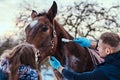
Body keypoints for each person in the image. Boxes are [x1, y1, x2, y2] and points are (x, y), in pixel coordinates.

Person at [49, 32, 120, 80]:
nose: (97, 48)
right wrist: (90, 44)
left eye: (99, 46)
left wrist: (59, 68)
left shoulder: (105, 72)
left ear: (108, 51)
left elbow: (77, 78)